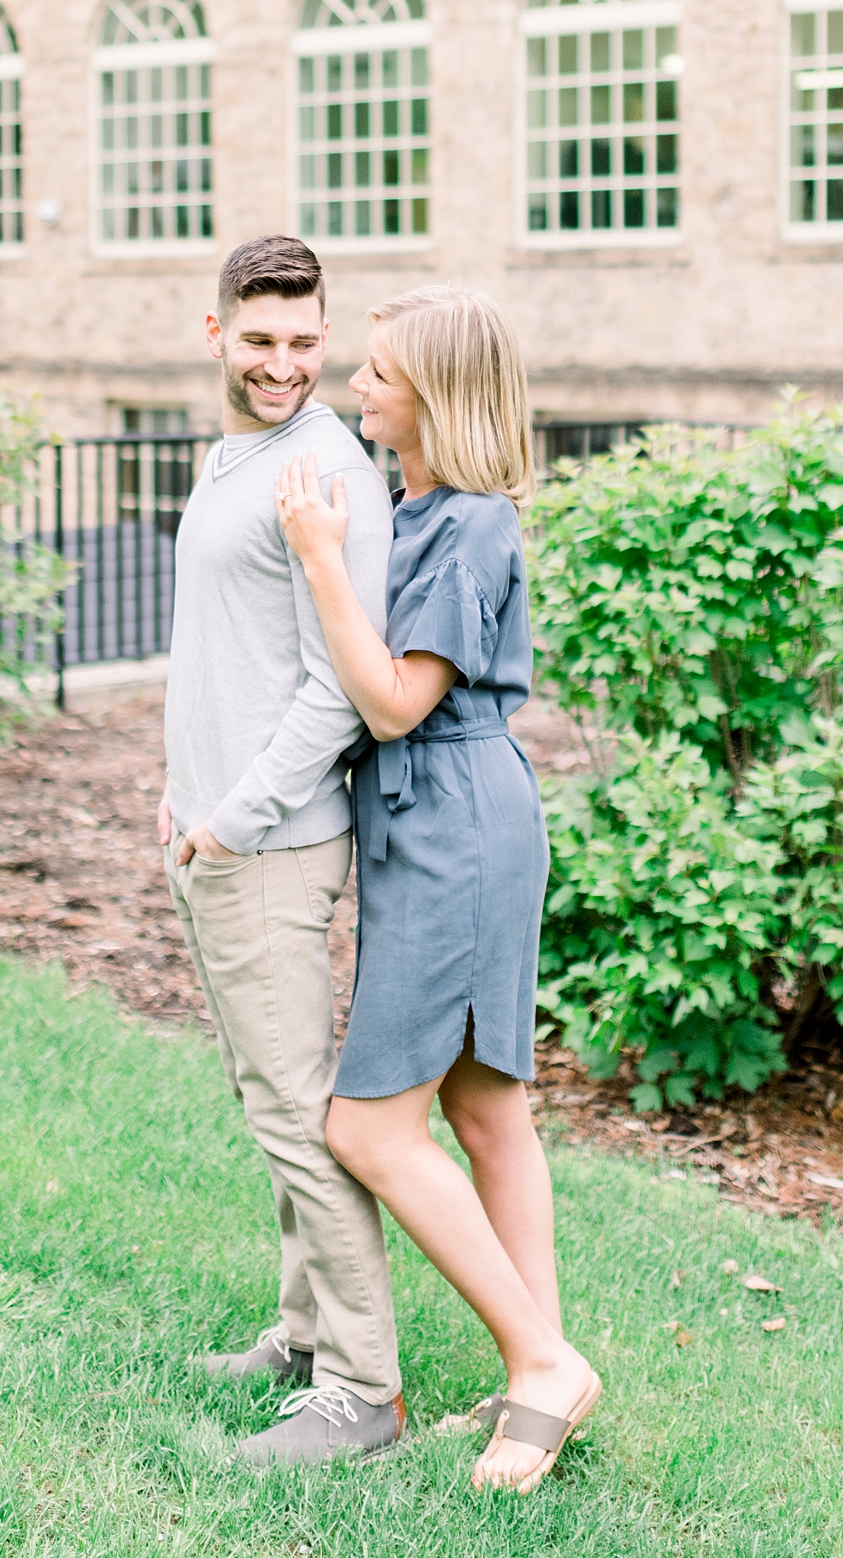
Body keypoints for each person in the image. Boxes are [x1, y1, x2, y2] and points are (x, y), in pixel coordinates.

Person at [274, 285, 601, 1497]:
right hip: (450, 822)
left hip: (456, 823)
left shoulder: (470, 524)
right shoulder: (415, 503)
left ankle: (541, 1359)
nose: (357, 388)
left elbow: (398, 701)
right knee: (485, 1111)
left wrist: (318, 561)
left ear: (438, 396)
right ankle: (541, 1372)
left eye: (377, 374)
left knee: (368, 1127)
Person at [158, 234, 406, 1467]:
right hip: (212, 833)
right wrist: (177, 793)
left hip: (270, 848)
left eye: (306, 343)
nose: (285, 364)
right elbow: (223, 650)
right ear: (218, 333)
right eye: (261, 340)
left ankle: (363, 1390)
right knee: (274, 1104)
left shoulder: (326, 470)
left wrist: (227, 820)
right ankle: (306, 1338)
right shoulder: (240, 451)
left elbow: (337, 693)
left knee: (302, 1122)